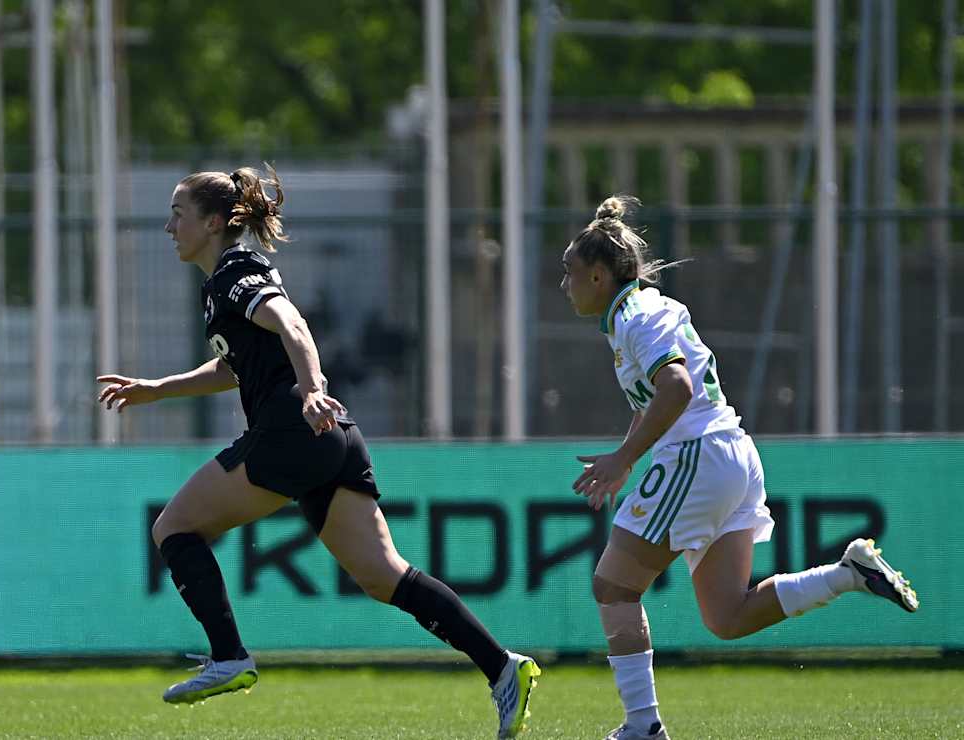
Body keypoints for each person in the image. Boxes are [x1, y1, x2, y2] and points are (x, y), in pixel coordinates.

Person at [97, 165, 539, 738]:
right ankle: (502, 667)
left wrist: (310, 390)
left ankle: (229, 656)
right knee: (384, 577)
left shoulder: (234, 272)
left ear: (212, 223)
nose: (168, 227)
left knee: (173, 529)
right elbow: (235, 367)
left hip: (293, 427)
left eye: (178, 214)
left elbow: (294, 325)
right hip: (330, 436)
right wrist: (158, 389)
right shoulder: (226, 281)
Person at [561, 195, 920, 740]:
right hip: (730, 455)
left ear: (597, 275)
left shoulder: (635, 316)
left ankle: (642, 726)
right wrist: (626, 454)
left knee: (613, 587)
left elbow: (677, 387)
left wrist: (625, 458)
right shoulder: (638, 314)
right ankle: (848, 573)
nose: (563, 283)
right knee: (726, 616)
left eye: (569, 271)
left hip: (697, 457)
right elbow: (657, 397)